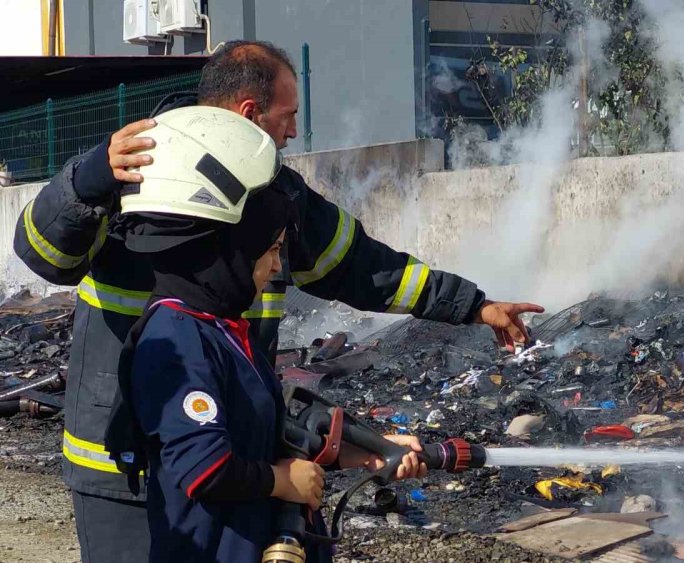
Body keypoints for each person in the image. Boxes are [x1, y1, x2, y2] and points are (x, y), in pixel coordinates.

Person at [13, 40, 542, 562]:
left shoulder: (277, 195)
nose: (293, 130)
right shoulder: (137, 170)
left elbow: (362, 266)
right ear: (250, 112)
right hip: (124, 469)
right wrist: (88, 181)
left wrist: (473, 305)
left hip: (233, 469)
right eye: (288, 115)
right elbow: (43, 256)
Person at [110, 111, 424, 562]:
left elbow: (264, 433)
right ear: (226, 252)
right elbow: (204, 467)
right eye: (271, 250)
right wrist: (282, 481)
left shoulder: (221, 326)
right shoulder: (178, 340)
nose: (277, 267)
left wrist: (369, 454)